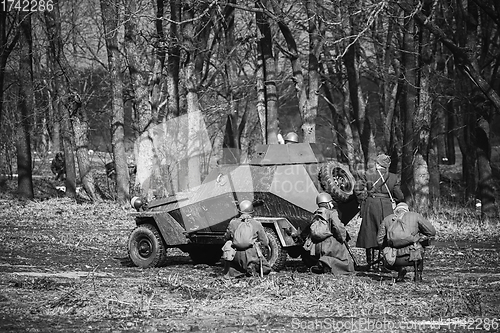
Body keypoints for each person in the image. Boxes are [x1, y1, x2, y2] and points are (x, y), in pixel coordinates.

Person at [354, 153, 404, 272]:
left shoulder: (367, 174)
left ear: (377, 164)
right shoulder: (393, 177)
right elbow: (399, 195)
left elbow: (357, 189)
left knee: (369, 233)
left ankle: (370, 264)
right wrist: (394, 201)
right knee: (385, 234)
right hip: (387, 206)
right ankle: (383, 264)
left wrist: (363, 198)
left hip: (371, 205)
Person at [377, 202, 436, 282]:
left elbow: (379, 240)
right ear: (407, 210)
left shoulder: (387, 219)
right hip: (413, 256)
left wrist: (388, 246)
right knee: (421, 244)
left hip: (392, 259)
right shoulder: (415, 216)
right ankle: (418, 275)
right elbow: (432, 232)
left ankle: (400, 272)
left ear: (396, 210)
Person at [299, 193, 354, 274]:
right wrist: (342, 238)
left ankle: (321, 264)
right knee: (346, 262)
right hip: (329, 245)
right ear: (328, 203)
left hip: (315, 246)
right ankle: (325, 262)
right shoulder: (331, 213)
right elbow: (338, 228)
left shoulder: (316, 214)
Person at [223, 200, 272, 278]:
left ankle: (236, 272)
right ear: (252, 212)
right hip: (251, 256)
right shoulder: (256, 224)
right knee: (266, 268)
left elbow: (226, 238)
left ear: (239, 212)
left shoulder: (233, 223)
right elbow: (265, 242)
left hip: (235, 256)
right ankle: (251, 268)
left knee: (232, 267)